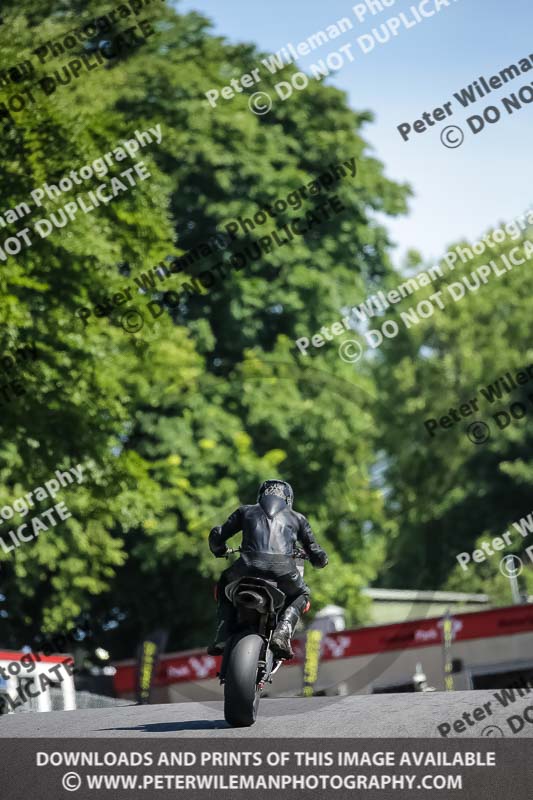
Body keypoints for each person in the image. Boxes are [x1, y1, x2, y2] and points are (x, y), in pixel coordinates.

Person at [207, 479, 328, 659]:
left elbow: (218, 535)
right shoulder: (298, 518)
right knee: (302, 594)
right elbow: (317, 554)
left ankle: (223, 633)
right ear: (288, 500)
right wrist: (320, 559)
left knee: (224, 582)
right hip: (284, 572)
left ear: (261, 495)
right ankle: (283, 631)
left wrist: (220, 549)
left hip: (245, 567)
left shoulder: (245, 511)